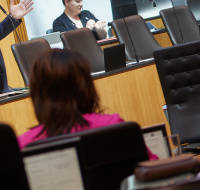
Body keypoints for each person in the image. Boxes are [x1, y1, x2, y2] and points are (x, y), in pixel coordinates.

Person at [18, 49, 155, 159]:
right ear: (86, 87)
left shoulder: (23, 145)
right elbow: (153, 169)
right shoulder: (115, 125)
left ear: (37, 94)